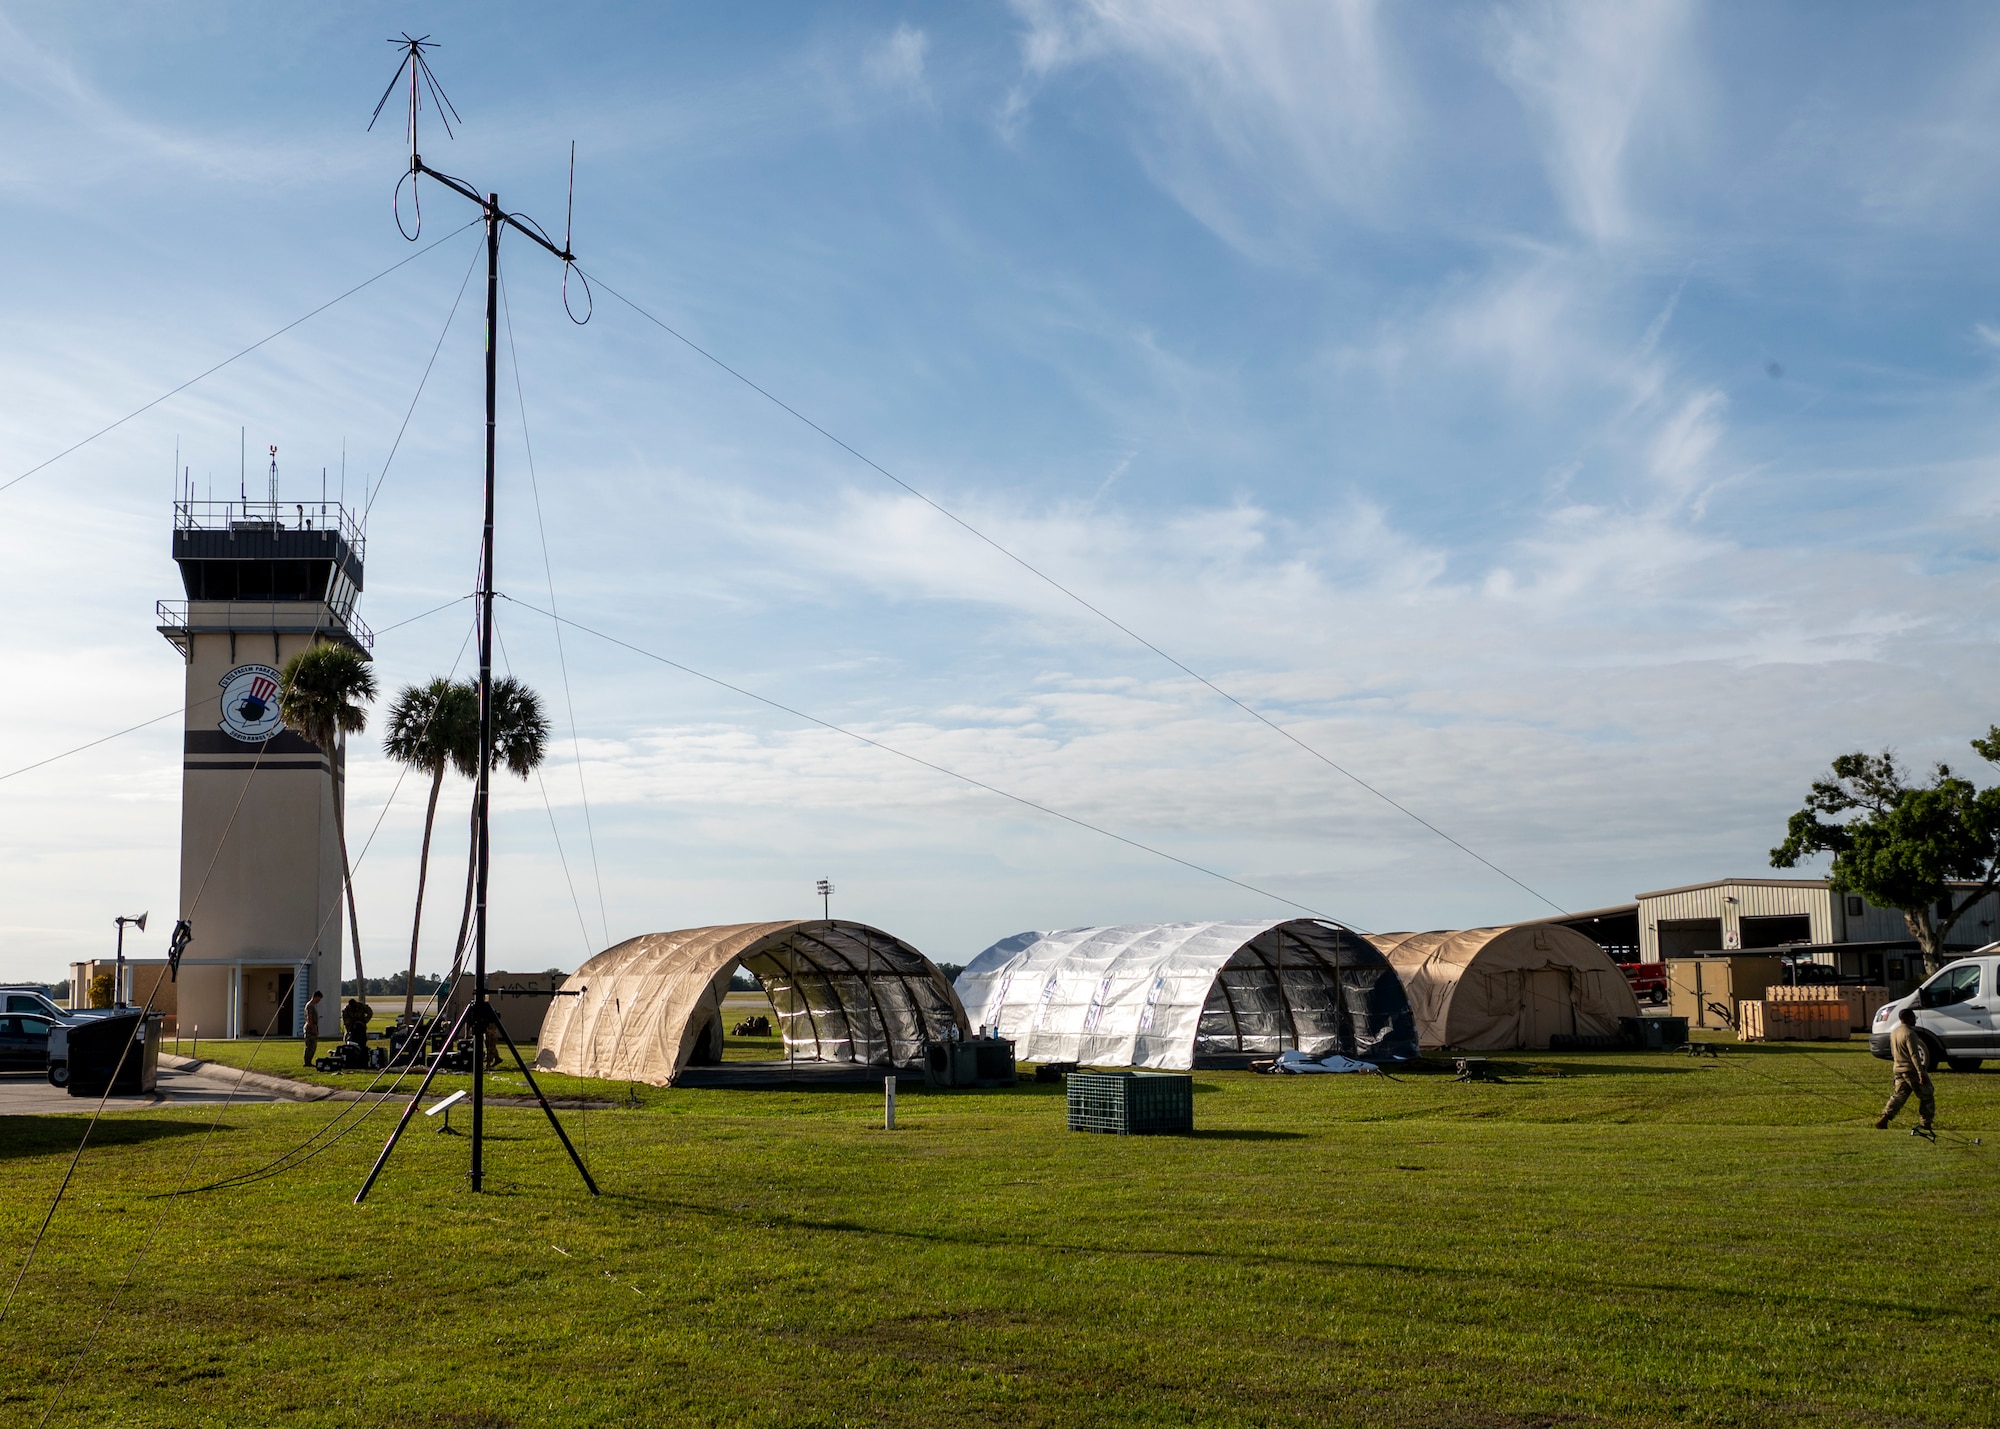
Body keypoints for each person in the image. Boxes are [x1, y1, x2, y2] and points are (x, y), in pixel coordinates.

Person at [1876, 1006, 1934, 1131]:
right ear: (1907, 1018)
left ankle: (1885, 1118)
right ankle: (1926, 1123)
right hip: (1911, 1070)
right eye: (1913, 1017)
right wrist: (1921, 1072)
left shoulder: (1895, 1032)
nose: (1915, 1019)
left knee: (1899, 1095)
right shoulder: (1909, 1033)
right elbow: (1914, 1054)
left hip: (1898, 1069)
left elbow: (1893, 1051)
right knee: (1926, 1095)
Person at [301, 990, 323, 1067]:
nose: (319, 1001)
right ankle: (307, 1062)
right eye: (319, 999)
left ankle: (308, 1061)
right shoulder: (310, 1006)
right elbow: (309, 1018)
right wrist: (313, 1030)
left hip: (313, 1026)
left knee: (313, 1046)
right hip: (310, 1027)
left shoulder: (311, 1005)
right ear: (316, 997)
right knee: (310, 1046)